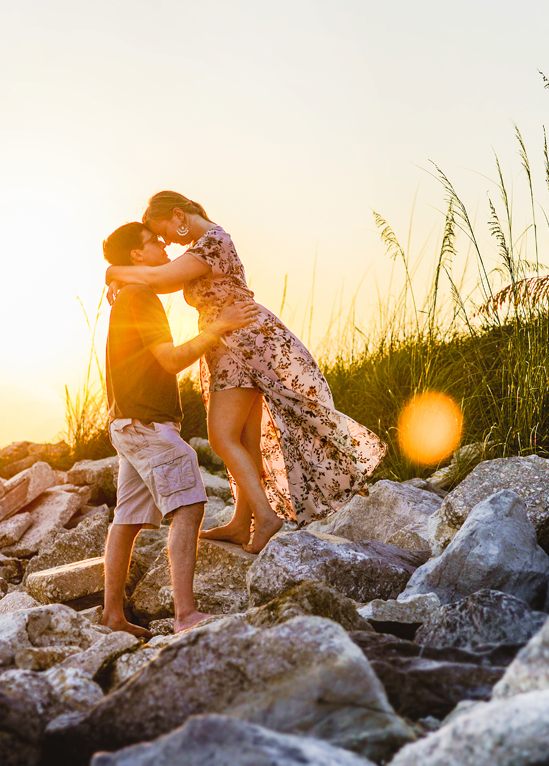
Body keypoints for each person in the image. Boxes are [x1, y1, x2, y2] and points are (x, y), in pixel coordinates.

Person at [104, 192, 385, 554]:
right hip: (233, 341)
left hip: (238, 341)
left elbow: (159, 275)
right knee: (245, 438)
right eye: (160, 239)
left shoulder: (212, 242)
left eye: (166, 233)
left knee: (221, 438)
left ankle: (265, 517)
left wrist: (113, 271)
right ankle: (242, 523)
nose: (168, 242)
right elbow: (157, 281)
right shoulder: (202, 248)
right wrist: (122, 279)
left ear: (179, 215)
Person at [100, 221, 259, 635]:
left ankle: (113, 617)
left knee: (127, 519)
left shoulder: (128, 295)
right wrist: (218, 327)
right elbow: (170, 360)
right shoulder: (140, 297)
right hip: (148, 424)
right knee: (188, 507)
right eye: (155, 242)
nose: (165, 246)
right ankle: (185, 615)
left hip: (127, 422)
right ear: (137, 255)